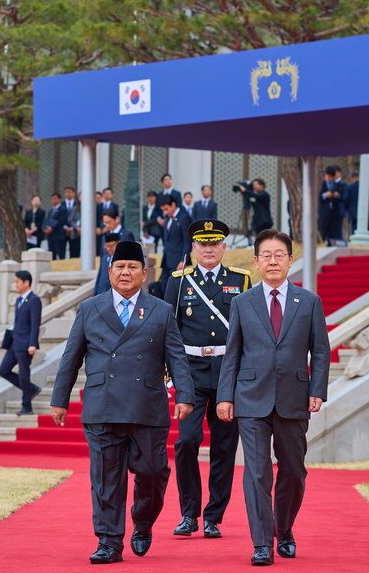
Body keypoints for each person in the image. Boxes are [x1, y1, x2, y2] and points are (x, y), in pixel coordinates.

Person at [50, 240, 194, 564]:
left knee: (154, 473)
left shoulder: (161, 310)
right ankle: (109, 542)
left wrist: (185, 394)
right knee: (105, 480)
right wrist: (60, 399)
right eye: (119, 267)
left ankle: (142, 522)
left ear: (144, 273)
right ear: (110, 271)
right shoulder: (90, 309)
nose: (125, 272)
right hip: (103, 406)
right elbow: (70, 358)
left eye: (132, 267)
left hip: (147, 407)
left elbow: (177, 357)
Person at [217, 229, 330, 566]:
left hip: (294, 399)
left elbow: (320, 352)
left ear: (290, 260)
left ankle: (285, 527)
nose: (273, 261)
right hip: (251, 398)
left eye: (279, 254)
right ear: (256, 262)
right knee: (257, 472)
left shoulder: (308, 301)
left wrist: (317, 390)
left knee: (294, 471)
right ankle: (263, 543)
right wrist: (226, 396)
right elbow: (232, 354)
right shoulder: (242, 302)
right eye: (266, 255)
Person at [165, 219, 250, 539]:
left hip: (228, 372)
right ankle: (189, 513)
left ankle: (214, 515)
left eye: (215, 243)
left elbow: (246, 330)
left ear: (224, 247)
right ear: (193, 248)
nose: (209, 248)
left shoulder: (240, 280)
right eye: (203, 244)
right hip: (191, 371)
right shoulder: (178, 281)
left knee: (225, 447)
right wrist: (170, 375)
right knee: (186, 441)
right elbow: (170, 331)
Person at [0, 270, 43, 415]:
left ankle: (27, 407)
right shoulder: (18, 300)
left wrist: (32, 344)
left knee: (24, 374)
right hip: (14, 343)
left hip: (25, 345)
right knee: (3, 370)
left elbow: (35, 324)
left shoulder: (34, 300)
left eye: (18, 282)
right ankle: (31, 388)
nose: (15, 285)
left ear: (26, 283)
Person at [158, 194, 192, 299]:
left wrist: (183, 260)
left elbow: (187, 241)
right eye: (163, 210)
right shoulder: (167, 218)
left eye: (166, 209)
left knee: (175, 292)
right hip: (167, 261)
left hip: (178, 261)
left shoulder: (184, 218)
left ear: (173, 205)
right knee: (164, 289)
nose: (165, 212)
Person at [344, 170, 369, 237]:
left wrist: (348, 211)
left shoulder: (350, 188)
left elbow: (345, 200)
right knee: (368, 234)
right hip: (367, 215)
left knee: (355, 234)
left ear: (352, 178)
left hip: (355, 215)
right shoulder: (366, 187)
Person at [318, 166, 345, 246]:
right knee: (323, 231)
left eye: (331, 177)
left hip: (334, 214)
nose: (330, 178)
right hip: (324, 213)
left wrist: (338, 195)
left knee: (334, 233)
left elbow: (343, 197)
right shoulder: (321, 184)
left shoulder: (338, 185)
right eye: (328, 176)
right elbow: (317, 197)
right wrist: (325, 195)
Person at [44, 192, 68, 258]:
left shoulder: (63, 209)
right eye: (52, 199)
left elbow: (61, 221)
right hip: (50, 236)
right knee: (52, 255)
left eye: (55, 199)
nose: (53, 201)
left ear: (59, 199)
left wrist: (52, 228)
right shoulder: (50, 211)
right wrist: (46, 229)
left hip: (59, 236)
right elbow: (46, 221)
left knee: (61, 255)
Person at [63, 187, 82, 260]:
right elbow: (71, 220)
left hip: (86, 234)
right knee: (74, 252)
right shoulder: (75, 208)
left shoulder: (91, 207)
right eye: (80, 197)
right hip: (75, 232)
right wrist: (76, 228)